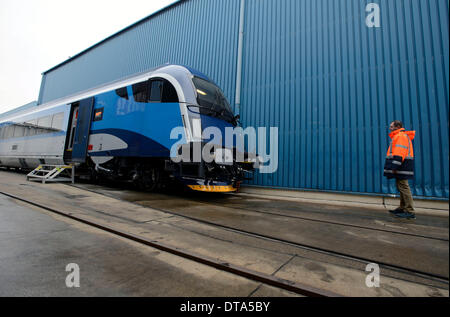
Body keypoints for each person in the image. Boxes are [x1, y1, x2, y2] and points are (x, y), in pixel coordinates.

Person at [384, 120, 416, 219]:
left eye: (391, 126)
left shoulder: (400, 136)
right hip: (401, 166)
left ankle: (410, 211)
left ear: (397, 126)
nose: (390, 128)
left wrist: (394, 166)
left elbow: (400, 152)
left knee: (404, 187)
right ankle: (402, 208)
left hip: (401, 166)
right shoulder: (399, 136)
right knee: (401, 187)